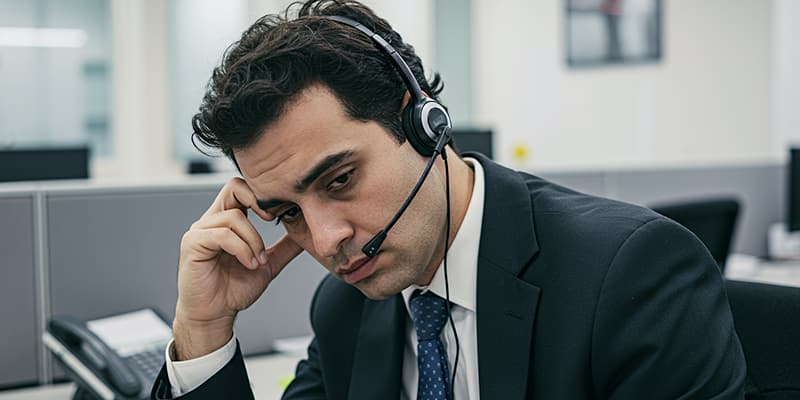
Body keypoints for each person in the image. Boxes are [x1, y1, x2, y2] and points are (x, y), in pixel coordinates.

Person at [151, 1, 746, 398]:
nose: (327, 240)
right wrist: (203, 330)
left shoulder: (629, 274)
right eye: (287, 213)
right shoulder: (345, 311)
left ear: (424, 126)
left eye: (339, 181)